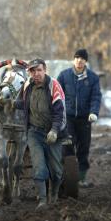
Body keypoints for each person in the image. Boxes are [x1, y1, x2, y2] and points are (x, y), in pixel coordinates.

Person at [13, 58, 67, 209]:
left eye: (39, 70)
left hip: (53, 134)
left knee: (56, 172)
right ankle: (42, 200)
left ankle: (54, 195)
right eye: (32, 71)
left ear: (45, 70)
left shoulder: (53, 86)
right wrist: (10, 104)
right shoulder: (27, 86)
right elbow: (23, 104)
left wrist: (55, 130)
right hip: (34, 132)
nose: (36, 74)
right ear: (29, 72)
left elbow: (60, 113)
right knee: (39, 168)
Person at [57, 48, 102, 188]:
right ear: (73, 59)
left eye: (82, 58)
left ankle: (81, 179)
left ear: (86, 61)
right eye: (77, 58)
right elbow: (57, 95)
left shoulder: (93, 78)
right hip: (68, 117)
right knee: (67, 145)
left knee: (83, 148)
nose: (79, 61)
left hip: (85, 119)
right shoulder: (64, 76)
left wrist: (93, 112)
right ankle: (66, 177)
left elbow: (96, 97)